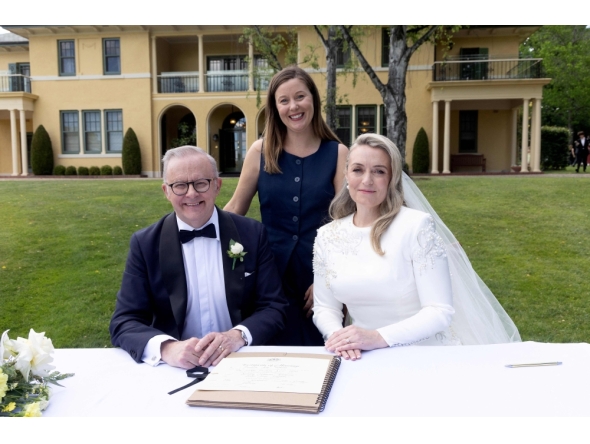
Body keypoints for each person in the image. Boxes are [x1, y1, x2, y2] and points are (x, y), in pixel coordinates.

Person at [313, 133, 521, 361]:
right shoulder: (327, 236)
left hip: (423, 355)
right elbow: (325, 308)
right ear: (346, 174)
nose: (367, 180)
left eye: (379, 171)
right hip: (361, 356)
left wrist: (376, 337)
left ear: (392, 178)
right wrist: (340, 338)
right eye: (358, 170)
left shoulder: (416, 227)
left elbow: (439, 311)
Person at [110, 146, 287, 369]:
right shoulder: (145, 244)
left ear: (217, 185)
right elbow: (124, 321)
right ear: (166, 191)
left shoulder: (252, 234)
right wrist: (167, 348)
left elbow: (274, 307)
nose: (191, 193)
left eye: (201, 183)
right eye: (180, 185)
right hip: (175, 369)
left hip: (241, 362)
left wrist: (237, 336)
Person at [224, 65, 348, 346]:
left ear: (314, 100)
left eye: (300, 97)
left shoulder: (338, 153)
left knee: (322, 353)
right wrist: (192, 226)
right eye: (284, 100)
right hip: (269, 276)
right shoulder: (260, 151)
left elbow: (347, 226)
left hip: (316, 278)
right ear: (275, 107)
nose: (294, 106)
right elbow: (235, 208)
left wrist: (329, 283)